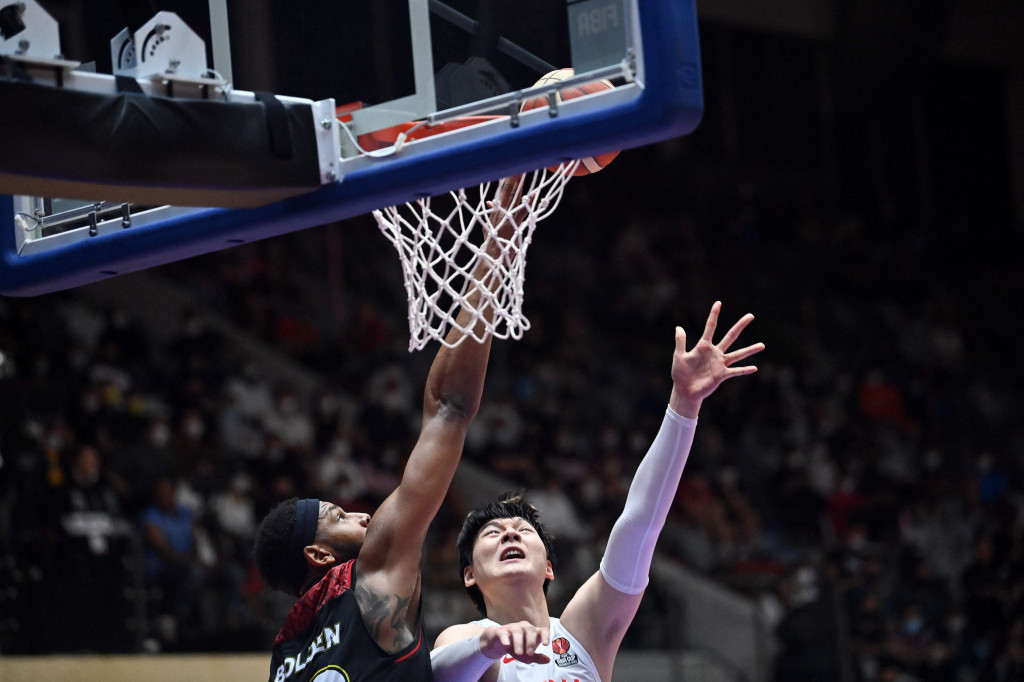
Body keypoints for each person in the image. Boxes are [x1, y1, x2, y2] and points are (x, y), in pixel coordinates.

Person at [252, 176, 529, 682]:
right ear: (319, 553)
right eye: (337, 515)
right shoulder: (370, 575)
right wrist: (499, 236)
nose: (360, 515)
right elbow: (449, 406)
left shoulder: (283, 657)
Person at [431, 301, 764, 682]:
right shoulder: (465, 638)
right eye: (493, 533)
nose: (510, 532)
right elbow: (439, 673)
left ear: (549, 568)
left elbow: (638, 524)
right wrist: (489, 645)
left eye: (524, 531)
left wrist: (684, 404)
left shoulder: (583, 636)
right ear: (470, 575)